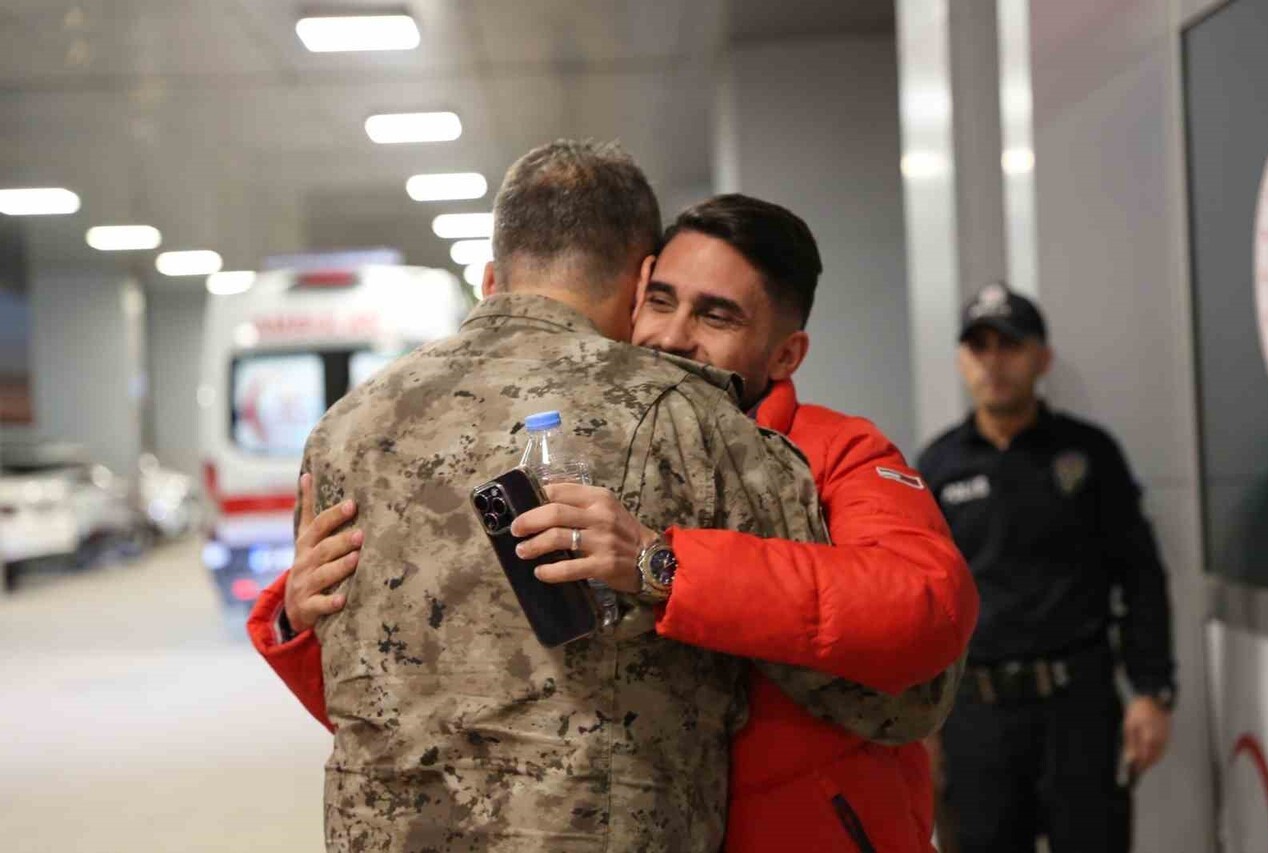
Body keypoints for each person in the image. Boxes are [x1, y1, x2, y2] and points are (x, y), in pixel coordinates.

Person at [250, 193, 977, 851]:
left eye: (716, 315)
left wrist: (667, 566)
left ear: (785, 353)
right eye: (659, 300)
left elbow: (920, 608)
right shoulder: (562, 448)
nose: (672, 336)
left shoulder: (833, 450)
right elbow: (464, 696)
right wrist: (304, 621)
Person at [917, 282, 1176, 853]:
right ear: (962, 361)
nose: (993, 363)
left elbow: (1141, 577)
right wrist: (923, 724)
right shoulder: (938, 465)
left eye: (1009, 345)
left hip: (1078, 708)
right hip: (975, 717)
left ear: (1041, 358)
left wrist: (1151, 691)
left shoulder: (1089, 455)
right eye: (978, 347)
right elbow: (923, 604)